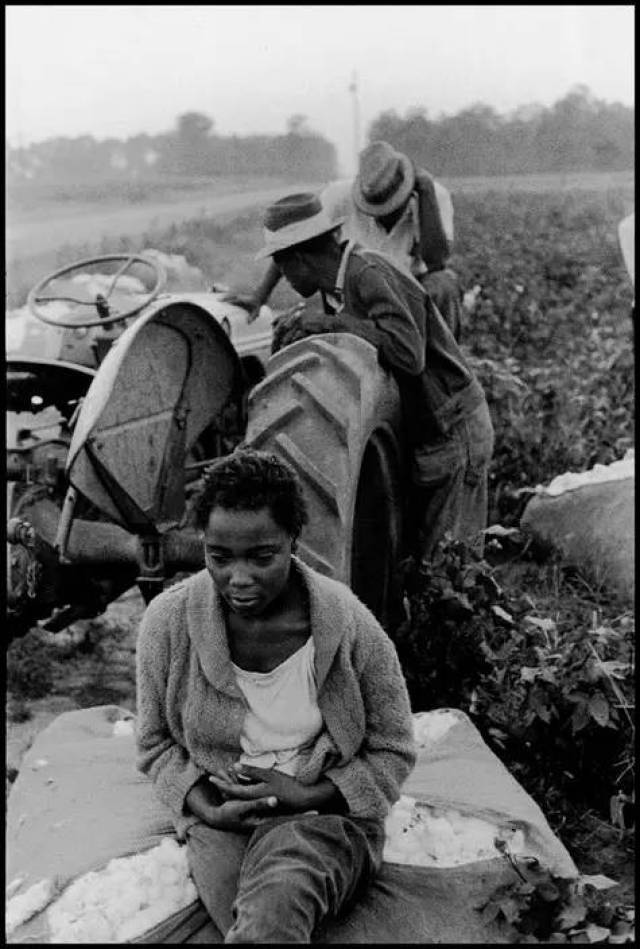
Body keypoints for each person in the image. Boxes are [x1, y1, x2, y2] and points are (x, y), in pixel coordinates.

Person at [135, 448, 416, 943]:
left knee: (274, 909)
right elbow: (155, 743)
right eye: (219, 557)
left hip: (322, 819)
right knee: (254, 925)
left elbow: (393, 746)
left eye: (261, 557)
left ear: (293, 542)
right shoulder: (169, 622)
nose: (238, 579)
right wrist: (206, 809)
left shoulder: (346, 623)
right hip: (224, 822)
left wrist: (309, 793)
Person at [256, 191, 494, 562]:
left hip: (453, 428)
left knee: (451, 565)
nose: (285, 280)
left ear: (301, 258)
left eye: (283, 269)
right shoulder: (339, 285)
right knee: (419, 562)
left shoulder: (368, 273)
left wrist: (330, 324)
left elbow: (407, 353)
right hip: (428, 430)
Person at [228, 140, 464, 341]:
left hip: (410, 292)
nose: (382, 213)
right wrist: (260, 296)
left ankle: (441, 368)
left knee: (443, 284)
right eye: (374, 207)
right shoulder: (339, 196)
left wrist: (426, 196)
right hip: (354, 293)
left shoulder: (433, 197)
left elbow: (437, 261)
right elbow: (293, 243)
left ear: (408, 190)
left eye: (390, 206)